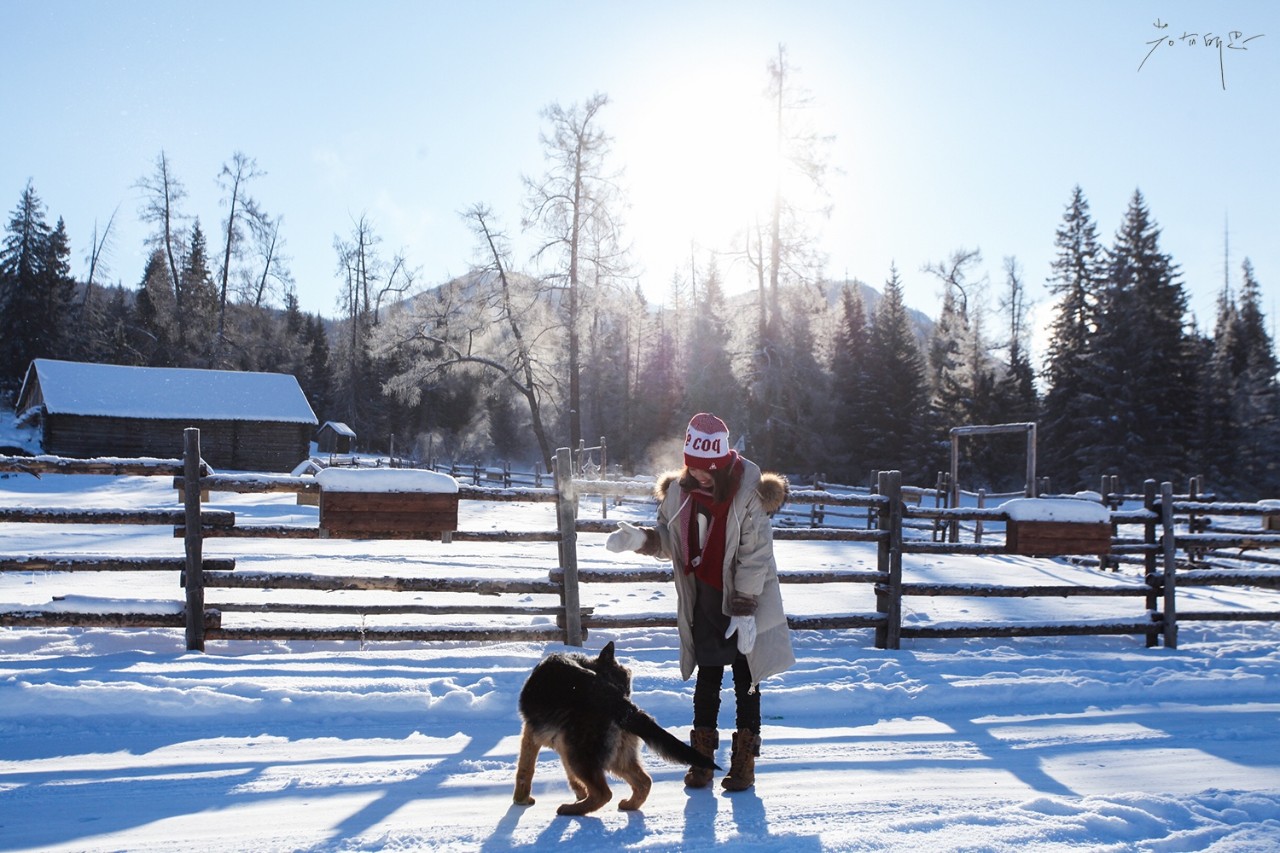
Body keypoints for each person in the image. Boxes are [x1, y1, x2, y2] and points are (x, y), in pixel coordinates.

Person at [607, 412, 795, 791]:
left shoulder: (748, 492)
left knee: (747, 679)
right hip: (705, 598)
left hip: (747, 597)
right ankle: (702, 762)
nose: (700, 475)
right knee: (708, 678)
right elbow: (671, 538)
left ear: (723, 464)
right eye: (693, 468)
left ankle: (744, 763)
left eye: (708, 469)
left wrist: (744, 609)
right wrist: (643, 540)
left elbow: (754, 554)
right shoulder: (680, 491)